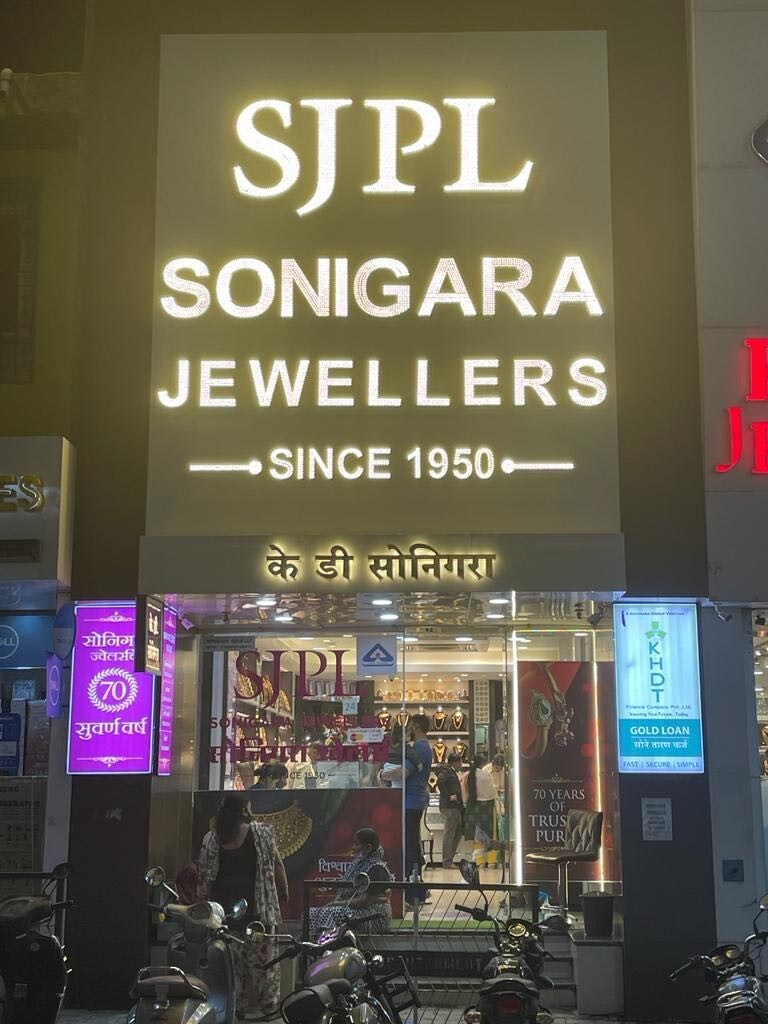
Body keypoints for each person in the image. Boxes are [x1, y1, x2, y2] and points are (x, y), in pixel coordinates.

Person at [198, 793, 289, 1019]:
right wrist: (284, 889)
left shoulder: (212, 837)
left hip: (224, 911)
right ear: (245, 810)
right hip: (257, 909)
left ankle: (235, 1008)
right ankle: (268, 1008)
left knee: (231, 963)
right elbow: (277, 863)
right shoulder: (262, 832)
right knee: (264, 962)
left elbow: (204, 873)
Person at [309, 827, 394, 936]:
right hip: (353, 910)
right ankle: (314, 941)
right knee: (311, 913)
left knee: (328, 912)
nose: (353, 848)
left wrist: (336, 903)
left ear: (368, 848)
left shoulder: (377, 869)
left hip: (373, 916)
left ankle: (329, 943)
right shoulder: (357, 864)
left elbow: (365, 902)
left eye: (356, 844)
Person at [462, 754, 497, 868]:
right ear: (482, 763)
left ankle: (479, 861)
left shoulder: (467, 775)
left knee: (477, 836)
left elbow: (464, 792)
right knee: (489, 835)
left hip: (472, 806)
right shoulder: (485, 775)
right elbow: (492, 792)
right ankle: (491, 861)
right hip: (486, 807)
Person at [437, 752, 464, 869]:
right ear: (455, 762)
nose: (461, 765)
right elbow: (440, 781)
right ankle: (447, 861)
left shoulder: (450, 771)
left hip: (454, 807)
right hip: (450, 807)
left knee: (457, 833)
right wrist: (448, 796)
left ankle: (449, 859)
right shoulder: (446, 771)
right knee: (450, 834)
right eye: (460, 762)